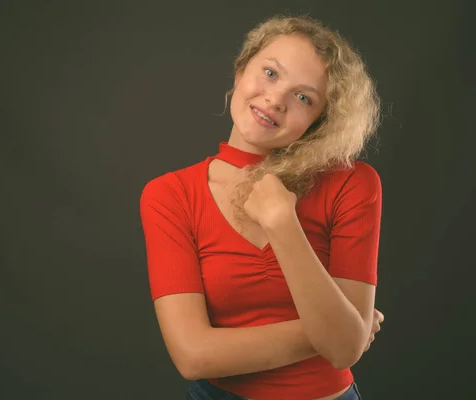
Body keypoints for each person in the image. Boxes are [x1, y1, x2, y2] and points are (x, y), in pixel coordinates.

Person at [139, 14, 385, 400]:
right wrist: (343, 330)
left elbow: (342, 352)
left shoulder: (353, 184)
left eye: (304, 97)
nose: (276, 100)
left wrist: (282, 223)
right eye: (270, 73)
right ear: (241, 70)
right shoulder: (170, 194)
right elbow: (192, 357)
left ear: (320, 120)